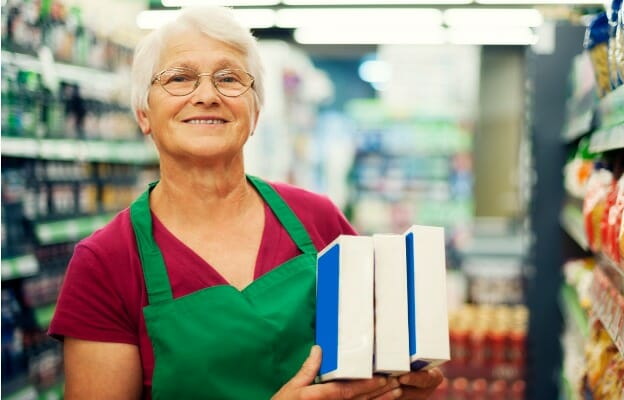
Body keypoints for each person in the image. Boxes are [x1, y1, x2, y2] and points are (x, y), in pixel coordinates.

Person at [48, 5, 444, 400]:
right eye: (180, 78)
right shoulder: (106, 263)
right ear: (143, 113)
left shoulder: (319, 221)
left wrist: (406, 388)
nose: (207, 95)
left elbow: (382, 364)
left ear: (254, 113)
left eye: (230, 78)